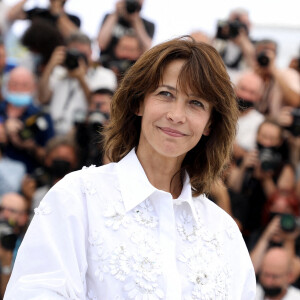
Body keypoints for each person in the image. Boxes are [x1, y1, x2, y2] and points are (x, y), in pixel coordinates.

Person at [4, 37, 255, 299]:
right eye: (166, 94)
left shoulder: (224, 233)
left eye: (196, 103)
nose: (176, 115)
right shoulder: (78, 198)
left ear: (209, 124)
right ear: (138, 102)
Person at [38, 32, 117, 135]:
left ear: (91, 52)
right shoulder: (59, 72)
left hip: (81, 135)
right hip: (52, 132)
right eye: (74, 53)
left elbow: (101, 106)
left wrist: (81, 78)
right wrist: (50, 66)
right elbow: (43, 98)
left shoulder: (105, 75)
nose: (79, 59)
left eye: (83, 54)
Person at [0, 66, 54, 173]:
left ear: (33, 87)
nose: (19, 88)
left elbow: (50, 158)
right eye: (14, 84)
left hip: (28, 176)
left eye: (24, 85)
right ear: (6, 86)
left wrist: (30, 146)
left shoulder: (42, 117)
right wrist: (4, 127)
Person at [97, 0, 155, 66]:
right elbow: (101, 44)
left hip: (133, 68)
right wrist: (116, 13)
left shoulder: (148, 25)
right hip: (108, 66)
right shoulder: (110, 17)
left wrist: (136, 21)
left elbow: (147, 50)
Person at [253, 39, 300, 118]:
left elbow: (295, 101)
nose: (266, 54)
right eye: (263, 51)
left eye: (270, 51)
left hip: (277, 125)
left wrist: (273, 71)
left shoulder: (288, 74)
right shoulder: (249, 75)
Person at [0, 192, 30, 298]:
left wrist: (6, 264)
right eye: (1, 209)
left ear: (23, 217)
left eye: (12, 211)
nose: (5, 214)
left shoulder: (28, 247)